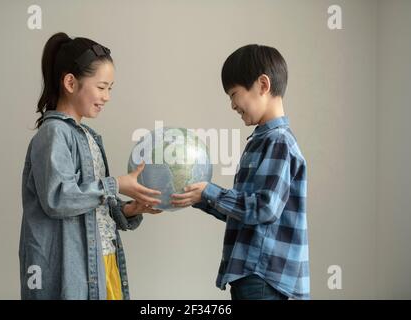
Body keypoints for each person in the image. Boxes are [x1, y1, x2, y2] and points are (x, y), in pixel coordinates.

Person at [19, 32, 162, 300]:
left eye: (110, 88)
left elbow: (90, 205)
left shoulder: (88, 136)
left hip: (102, 260)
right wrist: (116, 184)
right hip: (74, 271)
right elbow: (59, 198)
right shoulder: (54, 134)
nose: (107, 96)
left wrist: (128, 209)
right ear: (71, 82)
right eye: (101, 87)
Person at [171, 44, 309, 300]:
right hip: (257, 277)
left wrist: (210, 192)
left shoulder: (277, 141)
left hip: (265, 278)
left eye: (234, 93)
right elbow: (248, 213)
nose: (232, 105)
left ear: (263, 85)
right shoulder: (262, 140)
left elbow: (265, 209)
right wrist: (200, 196)